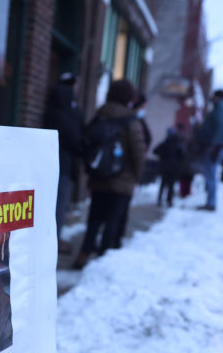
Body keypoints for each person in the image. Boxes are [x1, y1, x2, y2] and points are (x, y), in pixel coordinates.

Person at [73, 79, 146, 269]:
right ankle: (103, 262)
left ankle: (83, 255)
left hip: (99, 178)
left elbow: (88, 142)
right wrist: (137, 177)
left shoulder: (100, 115)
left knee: (94, 220)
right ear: (129, 98)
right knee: (112, 223)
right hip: (122, 181)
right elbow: (138, 152)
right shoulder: (131, 120)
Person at [42, 73, 84, 245]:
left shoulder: (50, 108)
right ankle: (54, 242)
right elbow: (75, 140)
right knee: (59, 205)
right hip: (64, 165)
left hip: (47, 162)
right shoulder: (70, 112)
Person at [111, 92, 152, 248]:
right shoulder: (132, 121)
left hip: (115, 171)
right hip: (124, 173)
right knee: (117, 214)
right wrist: (138, 174)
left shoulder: (129, 120)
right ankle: (111, 245)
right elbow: (138, 149)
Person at [195, 89, 223, 211]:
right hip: (215, 146)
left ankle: (211, 203)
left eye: (214, 96)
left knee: (210, 174)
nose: (212, 98)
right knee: (210, 174)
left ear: (218, 97)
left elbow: (220, 128)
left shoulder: (221, 109)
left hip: (214, 147)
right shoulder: (220, 108)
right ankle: (210, 202)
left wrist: (214, 145)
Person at [153, 126, 186, 207]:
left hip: (165, 167)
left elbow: (155, 151)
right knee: (171, 185)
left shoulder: (165, 143)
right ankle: (169, 201)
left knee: (163, 184)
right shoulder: (178, 143)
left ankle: (160, 199)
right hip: (173, 168)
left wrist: (162, 156)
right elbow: (183, 155)